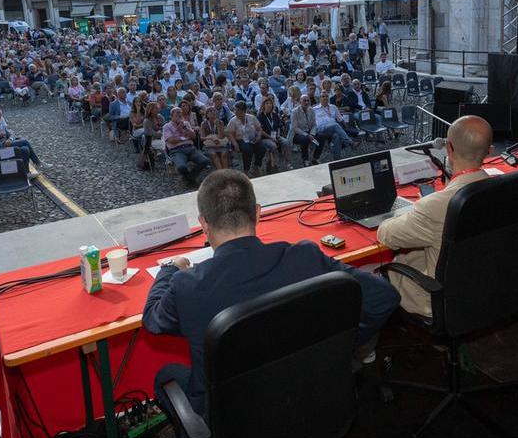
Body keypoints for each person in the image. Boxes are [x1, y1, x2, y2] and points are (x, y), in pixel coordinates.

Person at [143, 170, 399, 423]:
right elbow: (384, 297)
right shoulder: (307, 257)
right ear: (257, 212)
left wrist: (168, 270)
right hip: (311, 395)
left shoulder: (186, 286)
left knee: (166, 375)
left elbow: (153, 320)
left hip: (235, 419)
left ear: (204, 224)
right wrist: (339, 347)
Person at [377, 115, 494, 318]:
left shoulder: (435, 206)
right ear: (489, 150)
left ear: (449, 148)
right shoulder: (501, 189)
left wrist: (410, 212)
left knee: (379, 270)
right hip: (487, 282)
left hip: (442, 298)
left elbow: (386, 236)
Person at [162, 106, 209, 187]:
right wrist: (183, 137)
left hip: (190, 148)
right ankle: (191, 180)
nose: (180, 115)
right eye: (177, 114)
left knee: (205, 161)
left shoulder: (186, 123)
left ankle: (189, 177)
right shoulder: (167, 126)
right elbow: (171, 140)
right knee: (181, 167)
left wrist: (184, 128)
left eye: (180, 113)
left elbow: (193, 136)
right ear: (171, 116)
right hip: (176, 150)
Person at [226, 101, 263, 174]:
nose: (235, 112)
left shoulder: (251, 118)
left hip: (252, 138)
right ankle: (246, 169)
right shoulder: (233, 121)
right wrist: (235, 144)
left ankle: (256, 165)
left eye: (237, 110)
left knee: (262, 148)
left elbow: (259, 129)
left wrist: (258, 137)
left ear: (243, 111)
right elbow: (230, 134)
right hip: (240, 140)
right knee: (247, 149)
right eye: (235, 110)